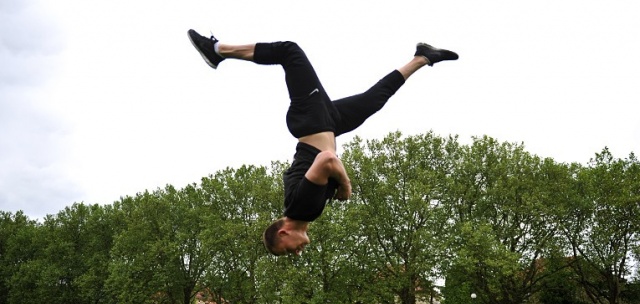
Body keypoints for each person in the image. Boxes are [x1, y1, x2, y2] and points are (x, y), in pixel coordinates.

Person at [188, 29, 458, 256]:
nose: (297, 252)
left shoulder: (301, 208)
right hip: (328, 123)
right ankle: (423, 57)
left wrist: (345, 184)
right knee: (376, 98)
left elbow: (326, 160)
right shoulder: (302, 209)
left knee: (290, 51)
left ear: (284, 231)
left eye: (289, 249)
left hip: (312, 121)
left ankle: (216, 50)